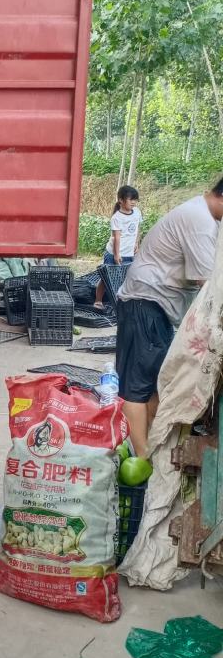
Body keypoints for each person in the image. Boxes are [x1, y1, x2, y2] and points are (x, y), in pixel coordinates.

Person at [116, 180, 223, 457]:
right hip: (146, 303)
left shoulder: (201, 213)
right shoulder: (201, 221)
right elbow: (208, 285)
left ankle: (151, 450)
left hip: (156, 306)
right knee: (136, 389)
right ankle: (143, 461)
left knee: (154, 385)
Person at [94, 185, 142, 308]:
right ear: (121, 200)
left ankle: (121, 302)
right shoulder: (117, 218)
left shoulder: (137, 212)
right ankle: (98, 301)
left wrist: (136, 243)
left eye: (135, 199)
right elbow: (117, 237)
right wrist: (116, 255)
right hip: (115, 253)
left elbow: (137, 229)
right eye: (131, 199)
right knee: (107, 278)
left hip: (129, 253)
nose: (134, 202)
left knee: (126, 278)